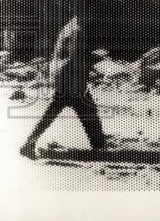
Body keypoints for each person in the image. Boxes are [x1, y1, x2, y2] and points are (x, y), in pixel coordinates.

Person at [20, 14, 108, 159]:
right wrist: (96, 58)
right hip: (71, 78)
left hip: (62, 76)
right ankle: (99, 147)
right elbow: (76, 57)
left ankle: (29, 143)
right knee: (88, 111)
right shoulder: (78, 30)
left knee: (53, 112)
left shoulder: (70, 26)